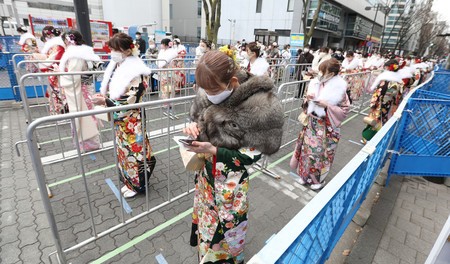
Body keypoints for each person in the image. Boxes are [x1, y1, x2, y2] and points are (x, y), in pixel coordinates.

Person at [184, 50, 284, 263]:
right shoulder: (207, 94)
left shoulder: (260, 106)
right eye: (204, 90)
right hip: (206, 178)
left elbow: (254, 154)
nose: (209, 95)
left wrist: (214, 151)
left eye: (212, 90)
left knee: (228, 228)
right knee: (207, 224)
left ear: (234, 82)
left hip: (231, 183)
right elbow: (199, 120)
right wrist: (193, 127)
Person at [93, 33, 156, 198]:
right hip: (123, 118)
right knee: (124, 149)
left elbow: (132, 98)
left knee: (134, 151)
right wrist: (106, 99)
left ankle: (138, 184)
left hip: (131, 117)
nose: (112, 52)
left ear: (127, 51)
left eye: (115, 49)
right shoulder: (122, 65)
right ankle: (129, 181)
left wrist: (106, 102)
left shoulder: (137, 70)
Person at [290, 58, 350, 190]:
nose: (321, 75)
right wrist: (308, 99)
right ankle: (304, 176)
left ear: (332, 74)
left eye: (324, 72)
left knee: (319, 154)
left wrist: (327, 105)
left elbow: (345, 110)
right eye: (321, 71)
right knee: (306, 152)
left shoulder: (340, 89)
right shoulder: (316, 83)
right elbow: (306, 100)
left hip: (325, 127)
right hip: (311, 123)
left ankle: (318, 180)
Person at [59, 30, 101, 152]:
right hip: (84, 88)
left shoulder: (75, 55)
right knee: (88, 114)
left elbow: (73, 75)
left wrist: (60, 73)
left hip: (80, 89)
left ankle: (89, 145)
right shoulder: (83, 51)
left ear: (68, 41)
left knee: (83, 115)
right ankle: (90, 143)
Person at [361, 59, 404, 144]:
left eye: (386, 67)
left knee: (374, 121)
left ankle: (368, 139)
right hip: (388, 103)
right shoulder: (398, 80)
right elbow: (398, 94)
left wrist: (374, 102)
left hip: (380, 103)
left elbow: (380, 91)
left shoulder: (386, 79)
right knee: (383, 120)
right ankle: (378, 140)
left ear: (389, 68)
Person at [33, 26, 67, 115]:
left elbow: (53, 59)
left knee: (58, 92)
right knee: (58, 92)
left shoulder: (57, 45)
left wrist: (40, 59)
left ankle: (60, 112)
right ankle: (61, 111)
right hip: (56, 71)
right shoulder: (58, 44)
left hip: (56, 71)